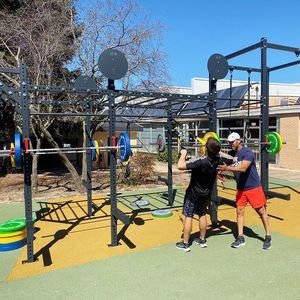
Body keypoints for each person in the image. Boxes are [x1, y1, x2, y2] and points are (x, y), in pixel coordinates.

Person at [176, 137, 233, 252]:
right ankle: (202, 240)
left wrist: (183, 153)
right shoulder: (218, 160)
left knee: (189, 215)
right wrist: (218, 151)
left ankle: (185, 243)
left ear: (206, 149)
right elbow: (232, 159)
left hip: (193, 194)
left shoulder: (200, 162)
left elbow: (180, 166)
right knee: (202, 214)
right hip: (206, 194)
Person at [217, 132, 272, 250]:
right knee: (239, 211)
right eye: (229, 142)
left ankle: (268, 236)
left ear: (239, 141)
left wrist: (227, 168)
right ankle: (240, 237)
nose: (230, 144)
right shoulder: (232, 154)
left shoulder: (248, 153)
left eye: (232, 142)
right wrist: (214, 151)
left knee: (261, 211)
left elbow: (242, 168)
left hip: (254, 188)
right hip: (241, 189)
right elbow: (224, 158)